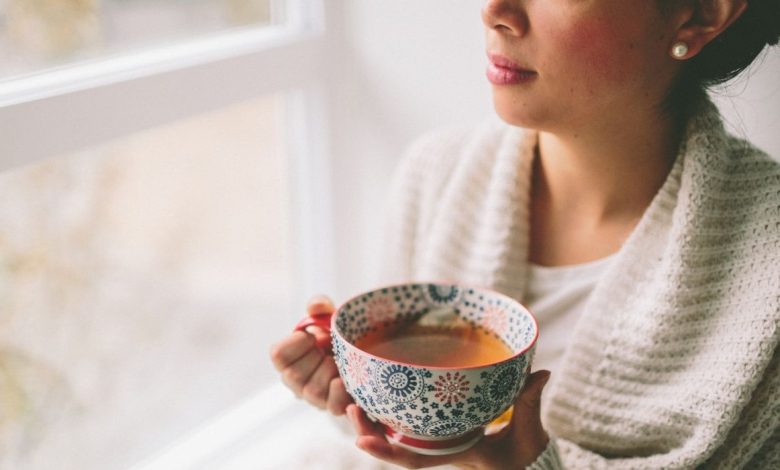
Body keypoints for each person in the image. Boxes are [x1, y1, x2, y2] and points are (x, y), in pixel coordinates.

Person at [271, 0, 780, 468]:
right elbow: (398, 442)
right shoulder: (436, 175)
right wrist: (358, 392)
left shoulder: (768, 268)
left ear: (701, 15)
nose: (494, 11)